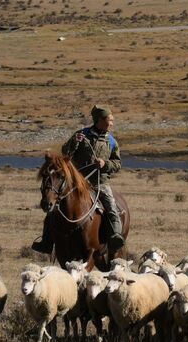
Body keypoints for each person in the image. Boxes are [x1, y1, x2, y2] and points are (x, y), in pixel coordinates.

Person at [31, 105, 123, 254]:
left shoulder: (112, 141)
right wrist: (75, 142)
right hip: (77, 181)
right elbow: (66, 152)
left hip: (100, 182)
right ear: (99, 120)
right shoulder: (81, 135)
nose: (112, 123)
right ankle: (46, 242)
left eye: (112, 120)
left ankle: (115, 237)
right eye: (109, 120)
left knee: (111, 206)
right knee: (53, 209)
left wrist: (105, 164)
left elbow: (118, 164)